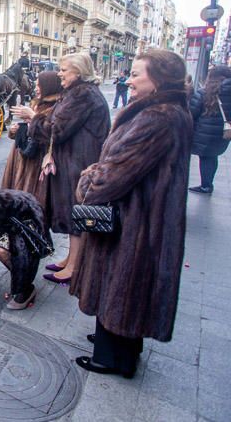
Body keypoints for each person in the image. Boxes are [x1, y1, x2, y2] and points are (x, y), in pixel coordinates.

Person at [70, 49, 192, 379]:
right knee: (131, 288)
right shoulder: (168, 111)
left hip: (135, 222)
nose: (130, 80)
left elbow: (112, 178)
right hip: (148, 217)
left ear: (159, 80)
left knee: (120, 285)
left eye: (137, 74)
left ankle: (111, 357)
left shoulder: (157, 118)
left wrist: (88, 178)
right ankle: (122, 343)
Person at [42, 53, 110, 284]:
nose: (60, 73)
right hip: (76, 157)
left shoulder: (83, 94)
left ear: (78, 72)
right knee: (73, 211)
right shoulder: (80, 92)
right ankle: (71, 259)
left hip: (79, 160)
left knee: (76, 212)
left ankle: (74, 267)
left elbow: (58, 129)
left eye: (64, 69)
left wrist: (34, 119)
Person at [3, 71, 63, 216]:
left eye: (39, 85)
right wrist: (15, 130)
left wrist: (32, 116)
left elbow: (50, 133)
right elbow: (29, 128)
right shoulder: (36, 103)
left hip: (35, 162)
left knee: (30, 206)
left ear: (48, 86)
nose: (35, 88)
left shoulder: (56, 107)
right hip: (20, 156)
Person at [188, 65, 231, 194]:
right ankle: (208, 183)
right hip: (224, 131)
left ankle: (206, 185)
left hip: (205, 132)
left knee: (206, 157)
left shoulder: (204, 92)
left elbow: (192, 112)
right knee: (213, 156)